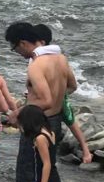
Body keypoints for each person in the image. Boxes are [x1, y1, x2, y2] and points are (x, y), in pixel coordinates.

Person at [4, 22, 78, 182]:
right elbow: (72, 86)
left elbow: (46, 101)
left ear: (23, 43)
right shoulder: (61, 59)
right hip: (55, 121)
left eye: (15, 48)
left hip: (37, 123)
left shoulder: (36, 65)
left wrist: (18, 112)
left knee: (35, 174)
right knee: (48, 166)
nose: (17, 52)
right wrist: (57, 96)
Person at [32, 24, 92, 164]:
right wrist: (59, 93)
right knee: (70, 120)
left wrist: (55, 94)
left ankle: (85, 149)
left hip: (50, 104)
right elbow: (73, 85)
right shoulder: (59, 58)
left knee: (69, 120)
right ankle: (86, 150)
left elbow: (72, 86)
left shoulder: (39, 60)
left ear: (41, 42)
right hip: (58, 97)